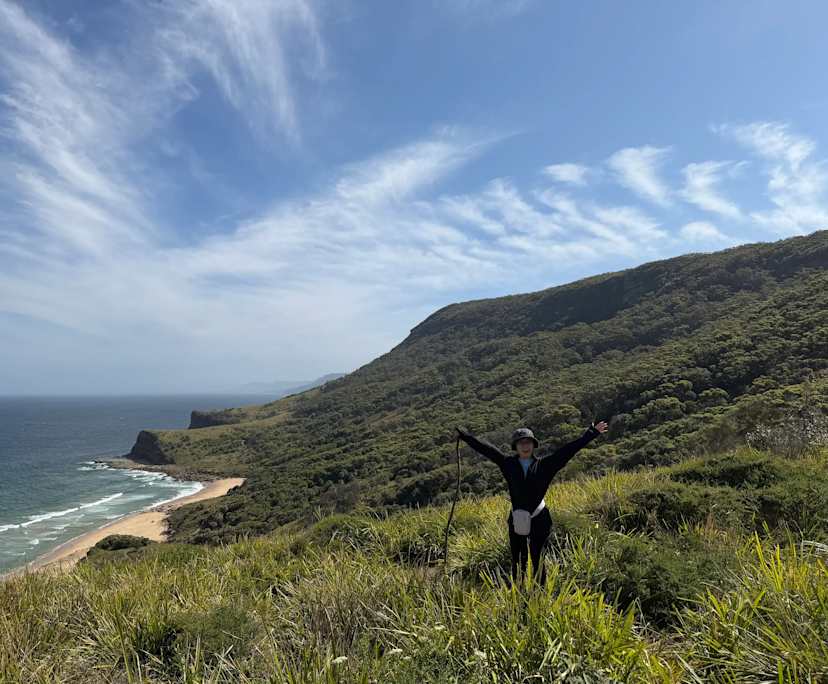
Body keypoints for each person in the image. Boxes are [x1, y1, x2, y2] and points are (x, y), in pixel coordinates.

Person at [455, 419, 608, 586]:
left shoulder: (545, 465)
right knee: (518, 560)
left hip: (540, 518)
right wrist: (466, 437)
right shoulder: (508, 464)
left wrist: (591, 434)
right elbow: (487, 450)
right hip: (517, 518)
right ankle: (518, 591)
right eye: (521, 443)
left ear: (533, 445)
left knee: (538, 559)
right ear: (515, 446)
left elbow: (568, 451)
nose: (525, 446)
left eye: (528, 442)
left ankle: (539, 593)